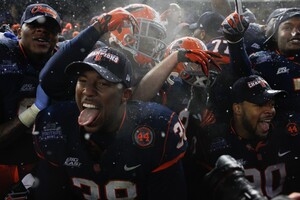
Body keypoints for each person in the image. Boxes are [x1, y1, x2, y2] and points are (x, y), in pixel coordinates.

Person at [33, 46, 188, 199]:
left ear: (125, 95)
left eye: (102, 84)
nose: (88, 91)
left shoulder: (158, 127)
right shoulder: (55, 124)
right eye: (83, 80)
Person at [189, 75, 300, 199]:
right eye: (260, 104)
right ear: (237, 109)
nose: (270, 110)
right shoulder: (211, 141)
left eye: (272, 104)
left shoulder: (290, 130)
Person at [0, 3, 61, 198]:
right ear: (20, 30)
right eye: (35, 26)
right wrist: (35, 111)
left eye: (50, 28)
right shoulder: (4, 55)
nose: (42, 31)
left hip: (42, 168)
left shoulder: (65, 62)